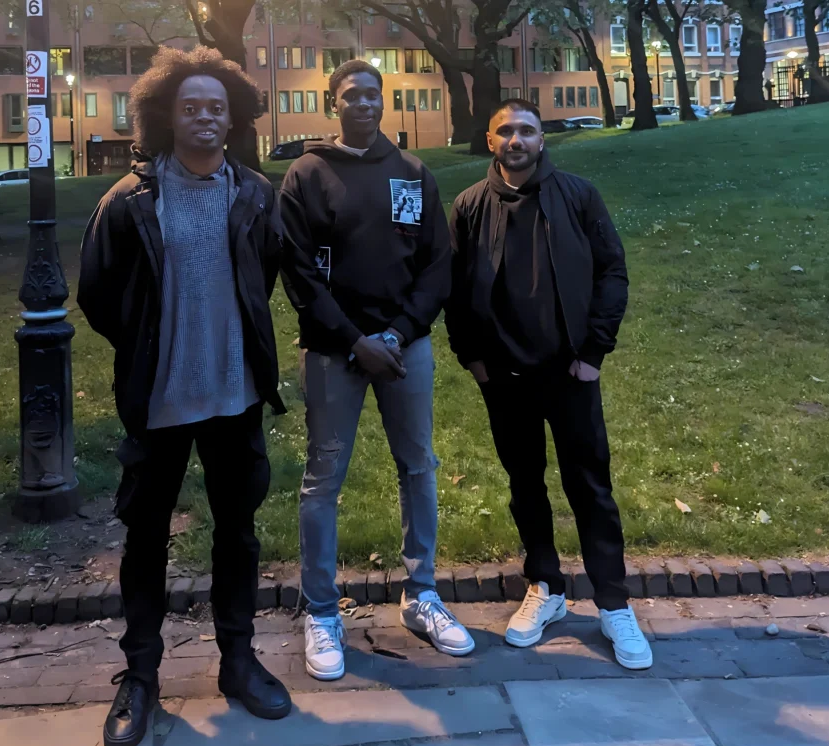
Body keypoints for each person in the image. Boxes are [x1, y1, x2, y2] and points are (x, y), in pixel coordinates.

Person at [78, 46, 292, 746]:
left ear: (232, 119)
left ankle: (238, 659)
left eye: (216, 108)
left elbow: (263, 280)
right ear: (165, 115)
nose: (204, 117)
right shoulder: (129, 201)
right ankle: (139, 675)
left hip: (234, 397)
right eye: (190, 106)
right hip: (159, 400)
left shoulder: (257, 195)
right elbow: (99, 296)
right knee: (145, 538)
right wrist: (149, 345)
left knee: (237, 532)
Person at [279, 59, 474, 682]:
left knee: (419, 465)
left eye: (372, 95)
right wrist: (353, 339)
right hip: (334, 351)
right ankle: (320, 611)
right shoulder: (307, 175)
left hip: (404, 347)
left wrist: (396, 334)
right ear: (332, 102)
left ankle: (421, 595)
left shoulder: (413, 173)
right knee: (323, 477)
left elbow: (437, 265)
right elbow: (299, 273)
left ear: (383, 102)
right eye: (350, 95)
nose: (362, 103)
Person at [445, 99, 652, 671]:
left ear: (542, 139)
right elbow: (453, 287)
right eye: (505, 130)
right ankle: (547, 588)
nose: (516, 139)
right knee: (525, 484)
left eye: (527, 131)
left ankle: (613, 603)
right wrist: (473, 359)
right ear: (490, 140)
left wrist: (593, 352)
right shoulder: (467, 207)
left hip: (571, 372)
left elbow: (613, 270)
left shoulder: (579, 196)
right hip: (504, 376)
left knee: (590, 486)